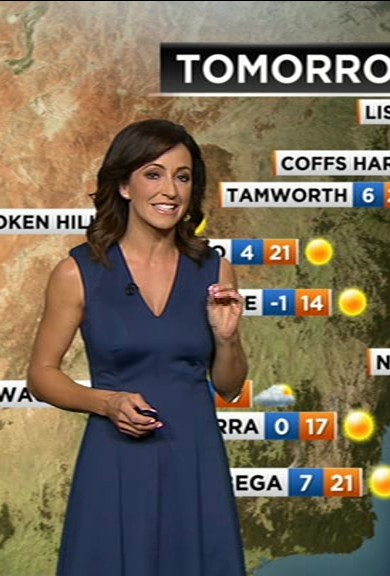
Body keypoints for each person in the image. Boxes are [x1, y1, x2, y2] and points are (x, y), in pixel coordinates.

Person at [27, 119, 247, 575]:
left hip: (194, 460)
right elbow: (41, 375)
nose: (170, 190)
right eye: (153, 174)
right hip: (116, 459)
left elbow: (229, 387)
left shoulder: (215, 271)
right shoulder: (77, 273)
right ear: (125, 186)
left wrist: (226, 339)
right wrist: (106, 403)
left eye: (182, 177)